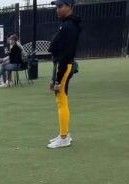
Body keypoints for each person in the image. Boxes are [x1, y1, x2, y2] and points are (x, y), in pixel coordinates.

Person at [47, 0, 81, 149]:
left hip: (64, 66)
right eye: (56, 7)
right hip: (62, 65)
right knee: (62, 100)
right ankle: (64, 133)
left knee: (61, 101)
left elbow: (66, 53)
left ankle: (64, 137)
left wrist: (58, 79)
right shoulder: (67, 24)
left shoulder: (69, 26)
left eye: (60, 6)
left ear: (70, 7)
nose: (57, 9)